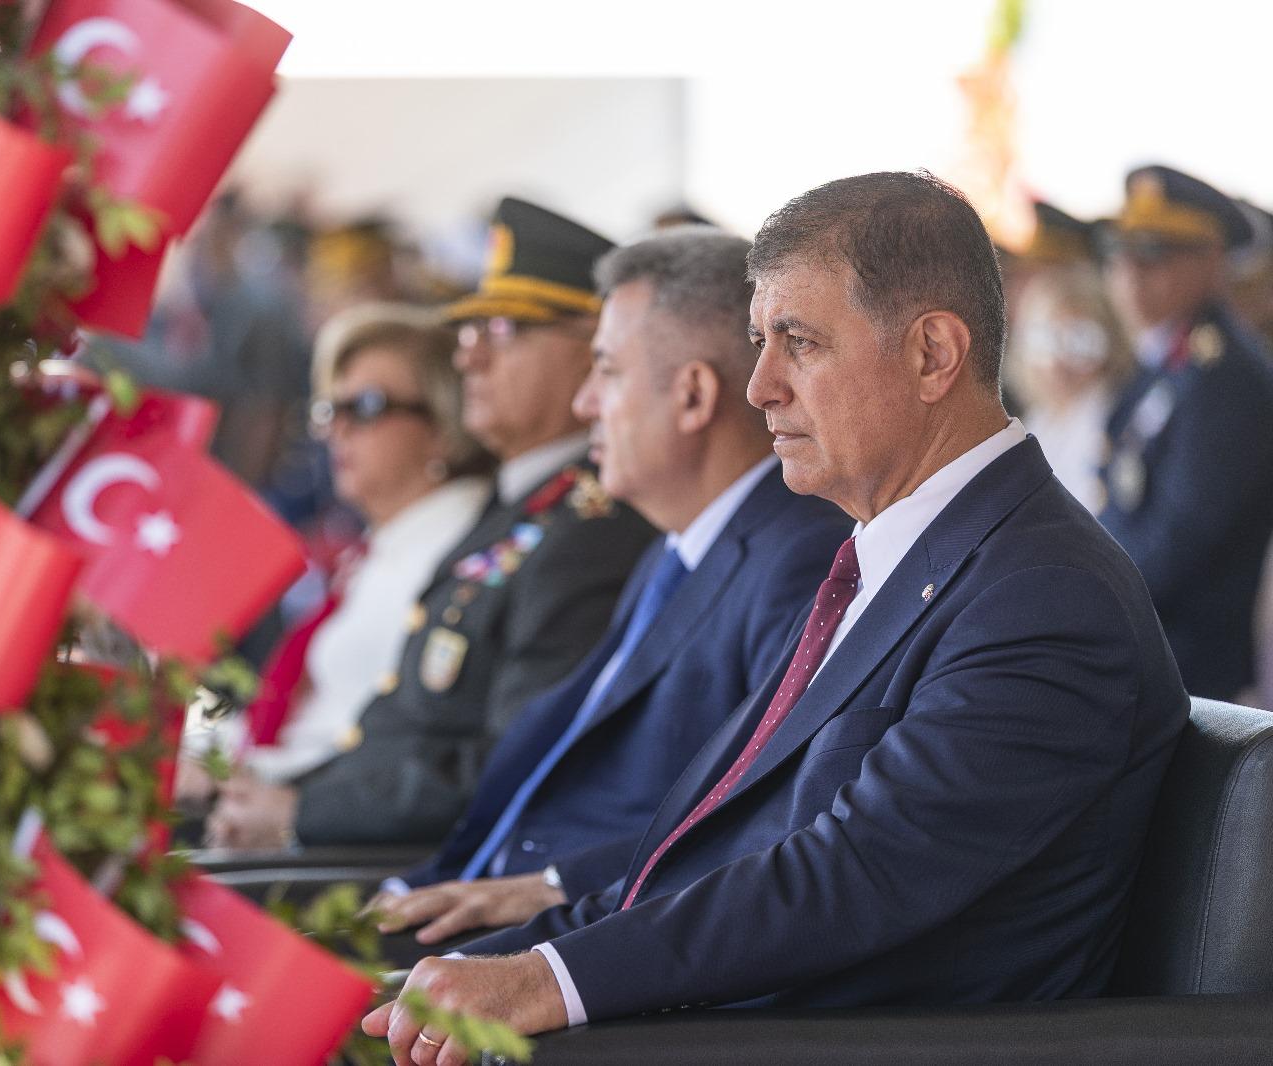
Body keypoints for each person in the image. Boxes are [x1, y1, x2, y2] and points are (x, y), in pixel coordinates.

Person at [364, 171, 1189, 1064]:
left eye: (798, 342)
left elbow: (855, 874)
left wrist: (549, 980)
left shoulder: (1042, 595)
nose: (759, 386)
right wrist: (508, 959)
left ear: (932, 355)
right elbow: (725, 836)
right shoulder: (899, 556)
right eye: (761, 342)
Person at [367, 229, 848, 947]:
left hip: (596, 932)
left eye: (608, 371)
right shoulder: (671, 551)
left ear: (692, 395)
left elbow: (759, 823)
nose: (586, 402)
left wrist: (552, 886)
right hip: (490, 898)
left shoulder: (798, 561)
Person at [209, 197, 657, 850]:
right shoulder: (514, 509)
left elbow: (512, 761)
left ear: (592, 348)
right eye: (470, 333)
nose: (469, 358)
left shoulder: (588, 528)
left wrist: (299, 813)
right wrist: (275, 794)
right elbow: (392, 731)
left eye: (503, 330)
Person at [176, 305, 492, 821]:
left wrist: (233, 777)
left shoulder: (456, 549)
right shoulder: (389, 543)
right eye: (329, 410)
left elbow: (375, 751)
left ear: (443, 425)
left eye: (366, 407)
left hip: (320, 822)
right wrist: (200, 752)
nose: (336, 430)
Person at [1098, 164, 1273, 700]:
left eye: (1155, 255)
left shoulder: (1226, 376)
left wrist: (1086, 595)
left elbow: (1181, 538)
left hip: (1186, 670)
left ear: (1213, 262)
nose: (1130, 273)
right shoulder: (1166, 362)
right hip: (1147, 648)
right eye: (1121, 253)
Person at [1004, 262, 1133, 511]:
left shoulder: (1117, 420)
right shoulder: (1038, 420)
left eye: (1079, 341)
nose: (1058, 363)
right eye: (1045, 340)